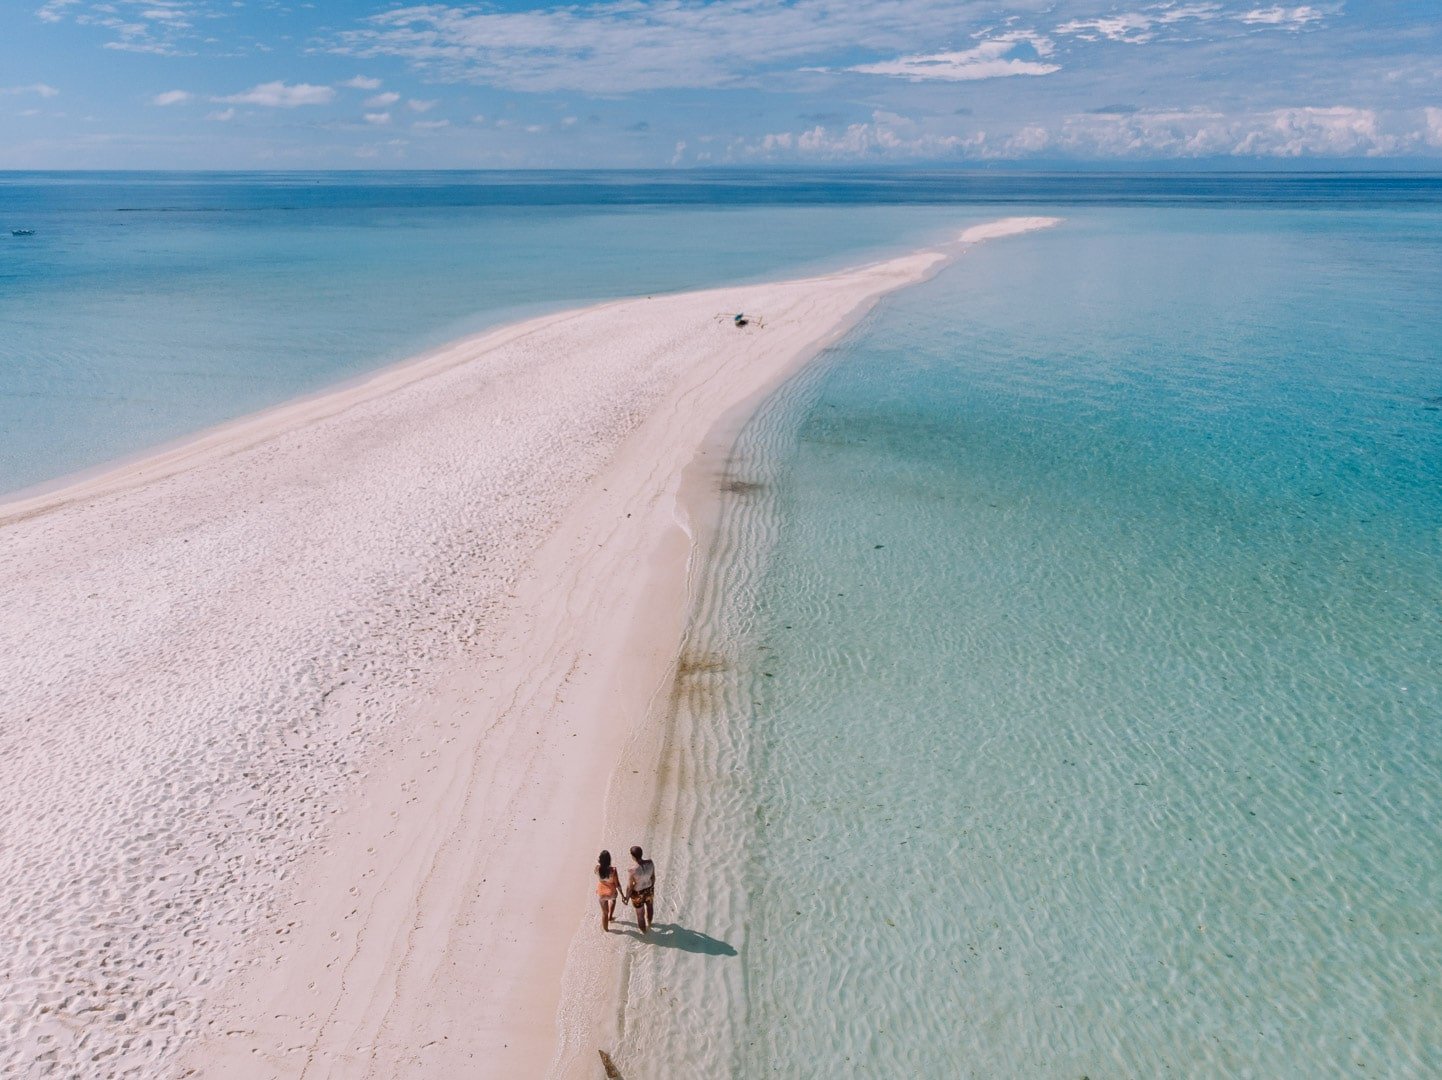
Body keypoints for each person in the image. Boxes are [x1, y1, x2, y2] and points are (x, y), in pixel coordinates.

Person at [626, 845, 657, 933]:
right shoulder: (650, 863)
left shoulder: (632, 870)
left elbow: (629, 886)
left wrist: (626, 898)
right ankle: (650, 924)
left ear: (633, 856)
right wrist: (650, 887)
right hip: (649, 889)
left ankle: (644, 933)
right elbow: (653, 877)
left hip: (638, 892)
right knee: (650, 908)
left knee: (640, 914)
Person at [595, 850, 622, 932]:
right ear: (609, 860)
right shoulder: (613, 870)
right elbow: (617, 884)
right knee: (613, 900)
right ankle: (610, 917)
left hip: (601, 894)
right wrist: (622, 894)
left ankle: (606, 930)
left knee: (604, 913)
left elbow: (599, 877)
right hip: (611, 893)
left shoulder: (596, 868)